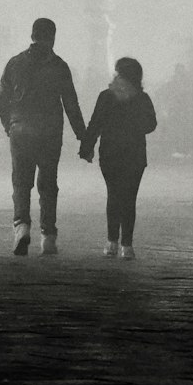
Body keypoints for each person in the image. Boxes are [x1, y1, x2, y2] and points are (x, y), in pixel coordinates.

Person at [0, 17, 86, 257]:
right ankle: (48, 236)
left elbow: (1, 99)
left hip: (21, 130)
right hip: (49, 132)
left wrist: (9, 125)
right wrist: (83, 136)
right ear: (53, 37)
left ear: (32, 35)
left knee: (21, 181)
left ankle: (22, 227)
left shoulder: (14, 63)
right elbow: (71, 105)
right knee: (47, 184)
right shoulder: (59, 66)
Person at [79, 56, 157, 261]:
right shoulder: (142, 99)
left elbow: (95, 123)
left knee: (113, 195)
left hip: (110, 153)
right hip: (135, 154)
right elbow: (151, 125)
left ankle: (111, 242)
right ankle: (127, 246)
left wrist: (86, 148)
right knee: (129, 199)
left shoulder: (106, 96)